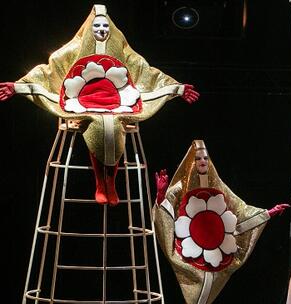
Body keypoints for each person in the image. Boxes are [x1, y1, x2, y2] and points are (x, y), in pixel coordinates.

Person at [0, 5, 199, 206]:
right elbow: (50, 70)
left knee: (112, 126)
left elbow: (145, 72)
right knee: (99, 124)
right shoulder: (74, 49)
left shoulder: (123, 51)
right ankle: (100, 181)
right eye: (97, 26)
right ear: (89, 30)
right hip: (82, 102)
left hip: (117, 103)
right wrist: (19, 86)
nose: (102, 30)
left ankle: (110, 181)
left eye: (105, 26)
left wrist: (176, 88)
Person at [153, 140, 289, 304]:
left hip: (214, 247)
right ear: (191, 162)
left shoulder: (218, 185)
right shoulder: (181, 186)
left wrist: (268, 213)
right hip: (191, 247)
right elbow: (166, 207)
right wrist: (161, 194)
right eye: (198, 158)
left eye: (205, 158)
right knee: (194, 295)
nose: (202, 162)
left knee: (208, 296)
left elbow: (239, 209)